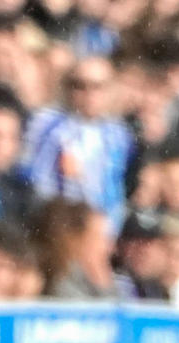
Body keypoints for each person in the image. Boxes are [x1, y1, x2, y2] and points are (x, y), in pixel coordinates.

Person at [24, 55, 133, 223]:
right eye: (79, 86)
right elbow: (34, 175)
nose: (89, 94)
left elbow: (115, 185)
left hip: (98, 224)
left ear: (111, 90)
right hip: (54, 219)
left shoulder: (119, 134)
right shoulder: (46, 123)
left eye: (97, 87)